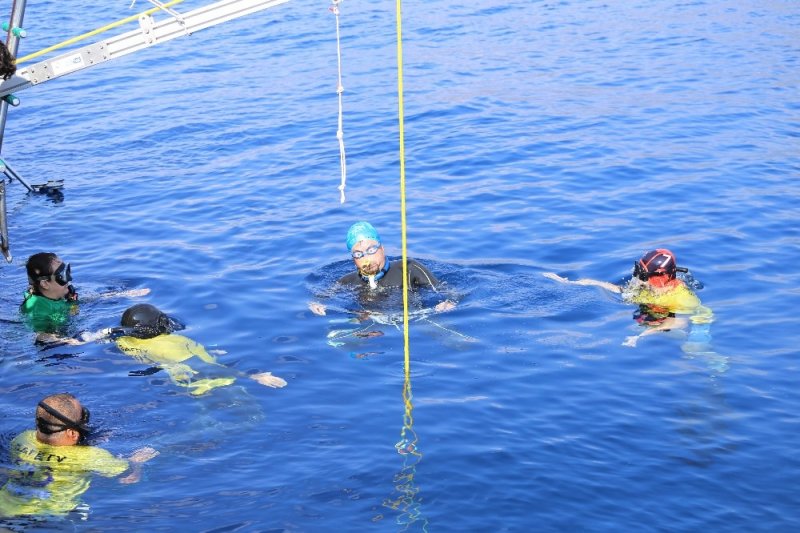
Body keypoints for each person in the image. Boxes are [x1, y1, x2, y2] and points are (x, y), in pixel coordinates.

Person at [0, 393, 158, 518]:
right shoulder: (90, 456)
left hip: (4, 507)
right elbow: (128, 478)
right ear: (72, 433)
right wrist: (136, 462)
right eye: (83, 416)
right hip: (48, 516)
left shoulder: (22, 439)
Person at [544, 249, 716, 350]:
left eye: (643, 276)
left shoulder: (680, 298)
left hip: (697, 323)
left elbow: (679, 323)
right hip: (663, 316)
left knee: (692, 351)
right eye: (638, 272)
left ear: (660, 278)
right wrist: (572, 282)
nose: (638, 280)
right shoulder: (649, 288)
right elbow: (618, 289)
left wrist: (640, 336)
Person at [110, 303, 287, 395]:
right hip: (216, 385)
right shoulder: (170, 346)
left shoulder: (124, 341)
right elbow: (204, 368)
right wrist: (253, 376)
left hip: (191, 385)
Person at [308, 221, 456, 316]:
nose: (366, 258)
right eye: (359, 254)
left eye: (371, 250)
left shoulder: (409, 268)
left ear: (382, 249)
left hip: (416, 319)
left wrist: (449, 301)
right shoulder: (347, 281)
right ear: (353, 259)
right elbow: (321, 297)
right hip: (371, 325)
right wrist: (315, 303)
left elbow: (447, 292)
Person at [20, 252, 149, 341]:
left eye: (67, 271)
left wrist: (123, 294)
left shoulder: (62, 293)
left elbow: (89, 300)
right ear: (45, 284)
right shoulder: (37, 308)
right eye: (61, 276)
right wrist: (67, 341)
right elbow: (39, 335)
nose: (69, 279)